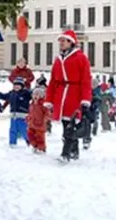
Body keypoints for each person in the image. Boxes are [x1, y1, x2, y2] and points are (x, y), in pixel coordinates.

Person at [44, 30, 92, 162]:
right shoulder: (58, 59)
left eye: (63, 41)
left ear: (71, 42)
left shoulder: (81, 58)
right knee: (67, 125)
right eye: (60, 41)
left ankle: (65, 154)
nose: (61, 43)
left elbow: (86, 80)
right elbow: (53, 80)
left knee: (71, 126)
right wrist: (49, 99)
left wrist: (85, 100)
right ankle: (74, 151)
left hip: (74, 95)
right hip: (61, 96)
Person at [0, 77, 31, 147]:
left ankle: (30, 140)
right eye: (15, 85)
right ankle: (12, 143)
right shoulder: (11, 93)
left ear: (22, 86)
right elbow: (4, 96)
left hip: (23, 116)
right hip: (13, 115)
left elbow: (33, 94)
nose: (16, 86)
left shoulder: (26, 93)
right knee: (12, 129)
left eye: (18, 85)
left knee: (24, 130)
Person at [26, 87, 50, 154]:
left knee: (40, 138)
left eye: (38, 94)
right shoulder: (32, 104)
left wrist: (45, 119)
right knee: (30, 134)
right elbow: (30, 113)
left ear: (42, 96)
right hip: (31, 124)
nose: (36, 96)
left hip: (40, 125)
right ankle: (35, 145)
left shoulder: (43, 104)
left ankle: (41, 149)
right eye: (34, 94)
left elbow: (47, 113)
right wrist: (28, 118)